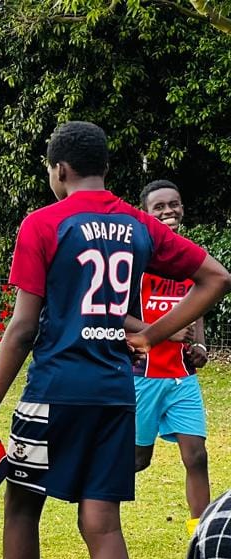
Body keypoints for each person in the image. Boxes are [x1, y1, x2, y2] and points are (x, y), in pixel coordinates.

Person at [0, 121, 230, 559]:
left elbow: (23, 327)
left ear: (58, 169)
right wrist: (152, 335)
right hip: (115, 392)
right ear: (104, 168)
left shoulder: (43, 223)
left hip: (54, 390)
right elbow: (216, 277)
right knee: (103, 526)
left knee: (22, 508)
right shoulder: (140, 224)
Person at [130, 180, 210, 533]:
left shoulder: (191, 255)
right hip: (143, 375)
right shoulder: (135, 258)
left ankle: (200, 535)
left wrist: (201, 347)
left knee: (196, 456)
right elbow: (114, 314)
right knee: (137, 460)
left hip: (182, 378)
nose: (168, 211)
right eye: (158, 206)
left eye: (173, 204)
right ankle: (93, 502)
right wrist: (164, 330)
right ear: (145, 214)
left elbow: (200, 302)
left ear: (182, 208)